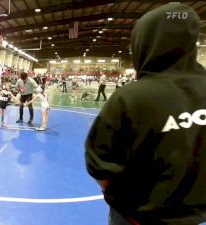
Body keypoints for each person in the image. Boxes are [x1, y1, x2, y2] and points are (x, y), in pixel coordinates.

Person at [85, 3, 206, 225]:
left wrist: (124, 197)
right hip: (193, 217)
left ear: (144, 43)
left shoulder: (131, 98)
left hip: (136, 217)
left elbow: (100, 165)